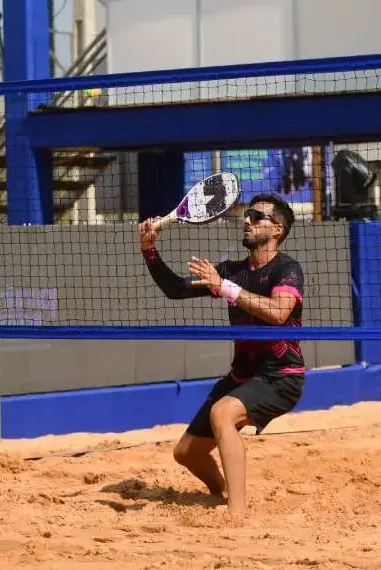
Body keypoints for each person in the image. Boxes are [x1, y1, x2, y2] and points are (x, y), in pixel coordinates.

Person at [137, 193, 306, 515]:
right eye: (247, 215)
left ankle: (237, 514)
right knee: (187, 453)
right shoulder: (232, 271)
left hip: (281, 377)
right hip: (243, 375)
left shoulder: (287, 269)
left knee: (223, 414)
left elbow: (279, 314)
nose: (247, 220)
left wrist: (224, 286)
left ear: (277, 230)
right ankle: (222, 491)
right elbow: (175, 290)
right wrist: (149, 250)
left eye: (257, 216)